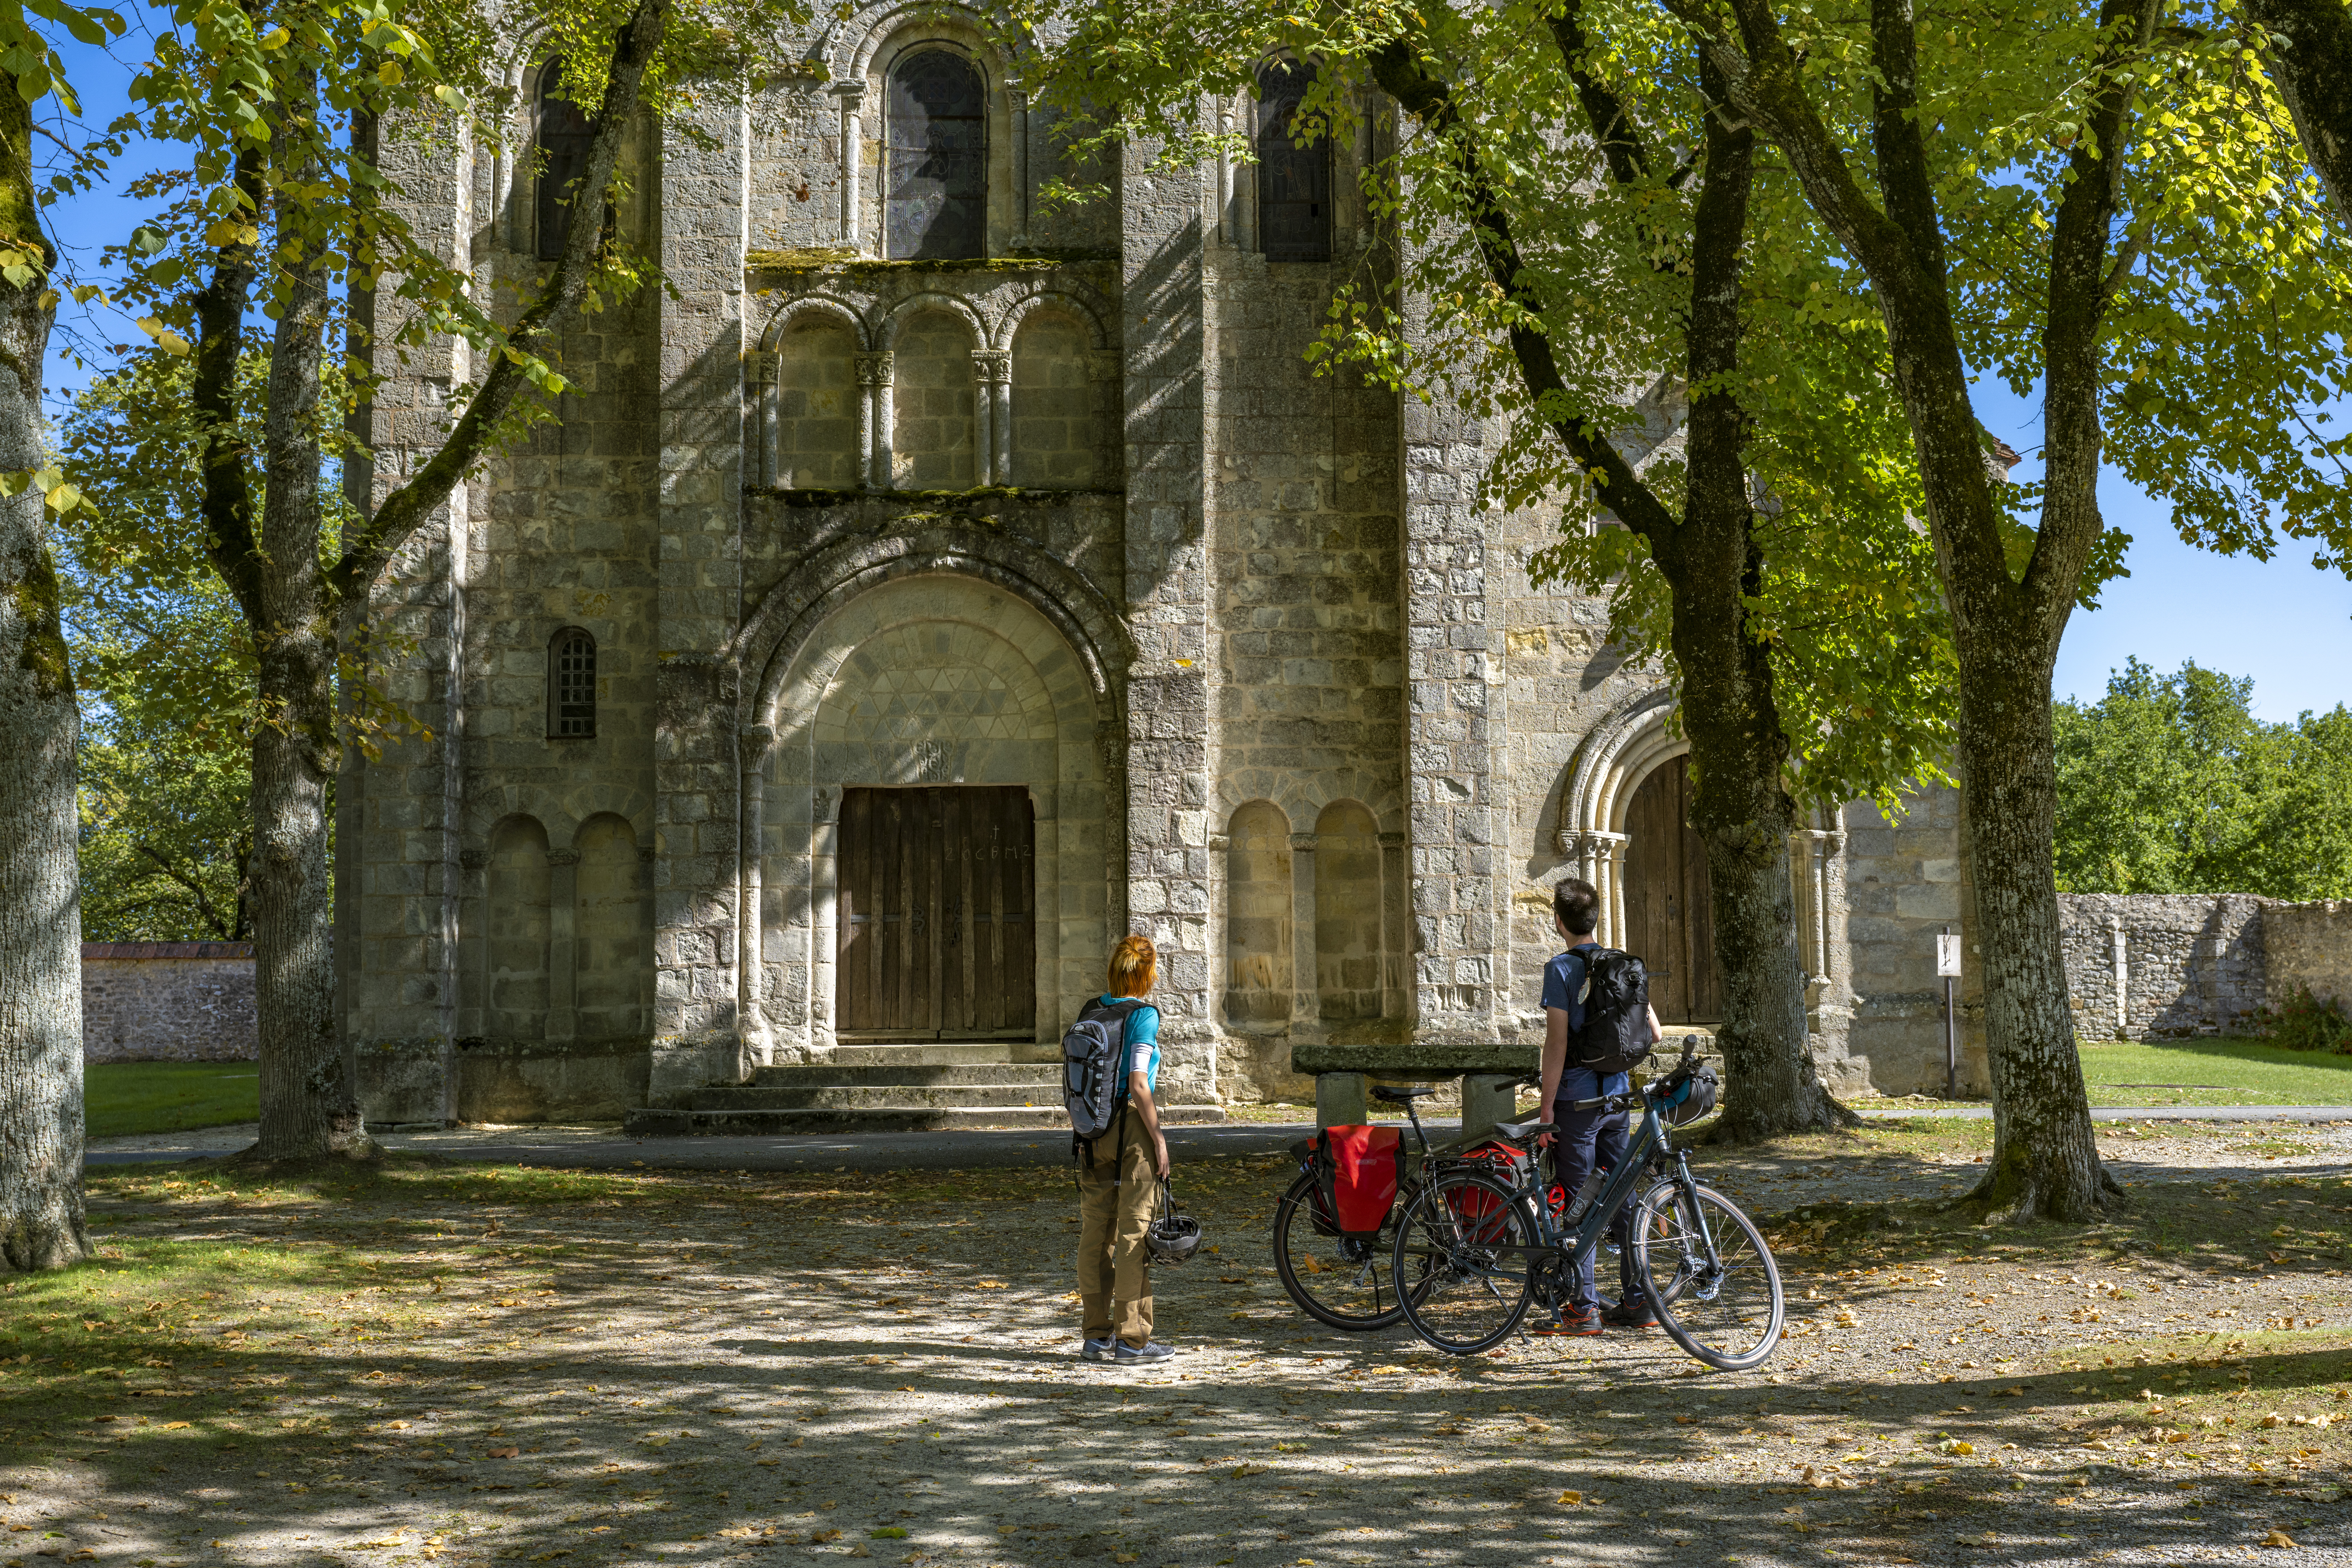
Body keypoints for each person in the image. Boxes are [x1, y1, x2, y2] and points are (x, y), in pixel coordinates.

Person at [1534, 877, 1663, 1336]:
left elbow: (1557, 1043)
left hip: (1578, 1100)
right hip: (1618, 1097)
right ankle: (1638, 1300)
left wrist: (1546, 1110)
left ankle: (1582, 1309)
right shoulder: (1622, 964)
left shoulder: (1562, 969)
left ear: (1558, 920)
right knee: (1622, 1197)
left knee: (1578, 1200)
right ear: (1595, 919)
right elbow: (1656, 1033)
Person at [1075, 933, 1176, 1364]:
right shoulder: (1144, 1016)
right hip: (1132, 1129)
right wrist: (1158, 1139)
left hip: (1092, 1130)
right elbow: (1139, 1084)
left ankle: (1096, 1337)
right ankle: (1133, 1341)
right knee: (1135, 1232)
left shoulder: (1091, 1009)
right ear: (1148, 974)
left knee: (1096, 1232)